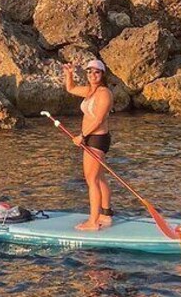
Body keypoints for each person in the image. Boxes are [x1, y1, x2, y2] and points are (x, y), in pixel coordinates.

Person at [63, 59, 114, 231]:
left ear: (102, 74)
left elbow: (99, 119)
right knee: (99, 178)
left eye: (97, 72)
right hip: (92, 139)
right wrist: (69, 74)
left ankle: (93, 222)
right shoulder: (89, 91)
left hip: (96, 139)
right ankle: (106, 215)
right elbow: (70, 88)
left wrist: (82, 136)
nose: (93, 75)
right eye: (89, 72)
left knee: (91, 180)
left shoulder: (104, 93)